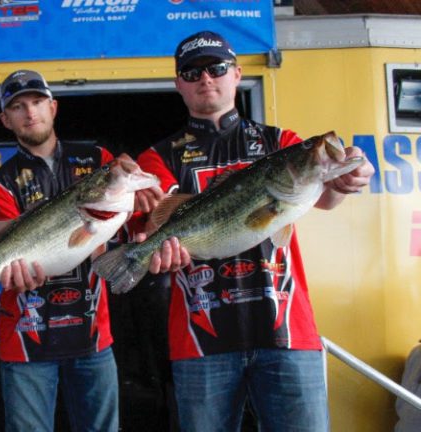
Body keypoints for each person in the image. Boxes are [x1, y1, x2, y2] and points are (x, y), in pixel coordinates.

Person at [135, 31, 375, 431]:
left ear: (237, 74)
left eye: (216, 68)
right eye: (192, 72)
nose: (205, 79)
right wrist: (152, 251)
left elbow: (327, 198)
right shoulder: (157, 157)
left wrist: (349, 176)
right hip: (200, 339)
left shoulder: (281, 142)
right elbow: (155, 229)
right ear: (178, 83)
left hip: (286, 332)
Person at [0, 69, 121, 432]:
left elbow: (131, 230)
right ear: (5, 118)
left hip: (93, 335)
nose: (31, 113)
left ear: (53, 107)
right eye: (18, 106)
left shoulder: (98, 162)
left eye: (37, 102)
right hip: (26, 340)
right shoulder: (0, 181)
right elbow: (4, 249)